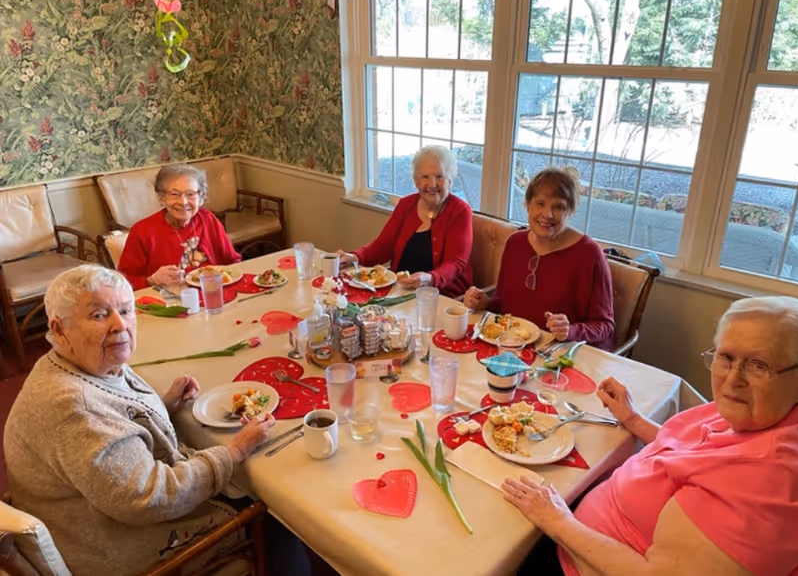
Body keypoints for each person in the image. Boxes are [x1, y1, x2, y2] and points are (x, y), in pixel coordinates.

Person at [2, 265, 302, 576]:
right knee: (276, 512)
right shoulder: (73, 407)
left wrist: (163, 405)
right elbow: (151, 498)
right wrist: (235, 451)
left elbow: (113, 426)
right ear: (60, 329)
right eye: (99, 315)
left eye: (125, 310)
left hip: (97, 517)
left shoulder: (79, 361)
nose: (120, 325)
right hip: (117, 548)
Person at [502, 296, 798, 576]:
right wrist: (632, 418)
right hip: (581, 525)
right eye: (726, 357)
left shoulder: (766, 480)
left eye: (758, 365)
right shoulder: (760, 415)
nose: (734, 379)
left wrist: (557, 521)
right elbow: (688, 454)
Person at [463, 167, 614, 350]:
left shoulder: (590, 254)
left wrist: (571, 330)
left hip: (559, 354)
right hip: (510, 346)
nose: (547, 214)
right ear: (528, 204)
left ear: (570, 211)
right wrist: (484, 302)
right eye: (540, 203)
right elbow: (503, 302)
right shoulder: (515, 242)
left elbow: (605, 326)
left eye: (558, 207)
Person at [338, 145, 473, 299]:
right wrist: (355, 257)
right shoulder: (406, 205)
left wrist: (429, 279)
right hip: (400, 292)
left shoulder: (460, 211)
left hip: (442, 297)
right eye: (425, 177)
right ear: (416, 181)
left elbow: (455, 263)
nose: (432, 184)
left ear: (450, 180)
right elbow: (382, 246)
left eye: (439, 176)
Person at [118, 164, 241, 290]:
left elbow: (233, 261)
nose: (183, 202)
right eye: (174, 194)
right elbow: (122, 283)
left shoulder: (208, 219)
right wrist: (152, 280)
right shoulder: (142, 231)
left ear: (201, 197)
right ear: (162, 198)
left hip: (215, 293)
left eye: (190, 194)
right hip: (167, 301)